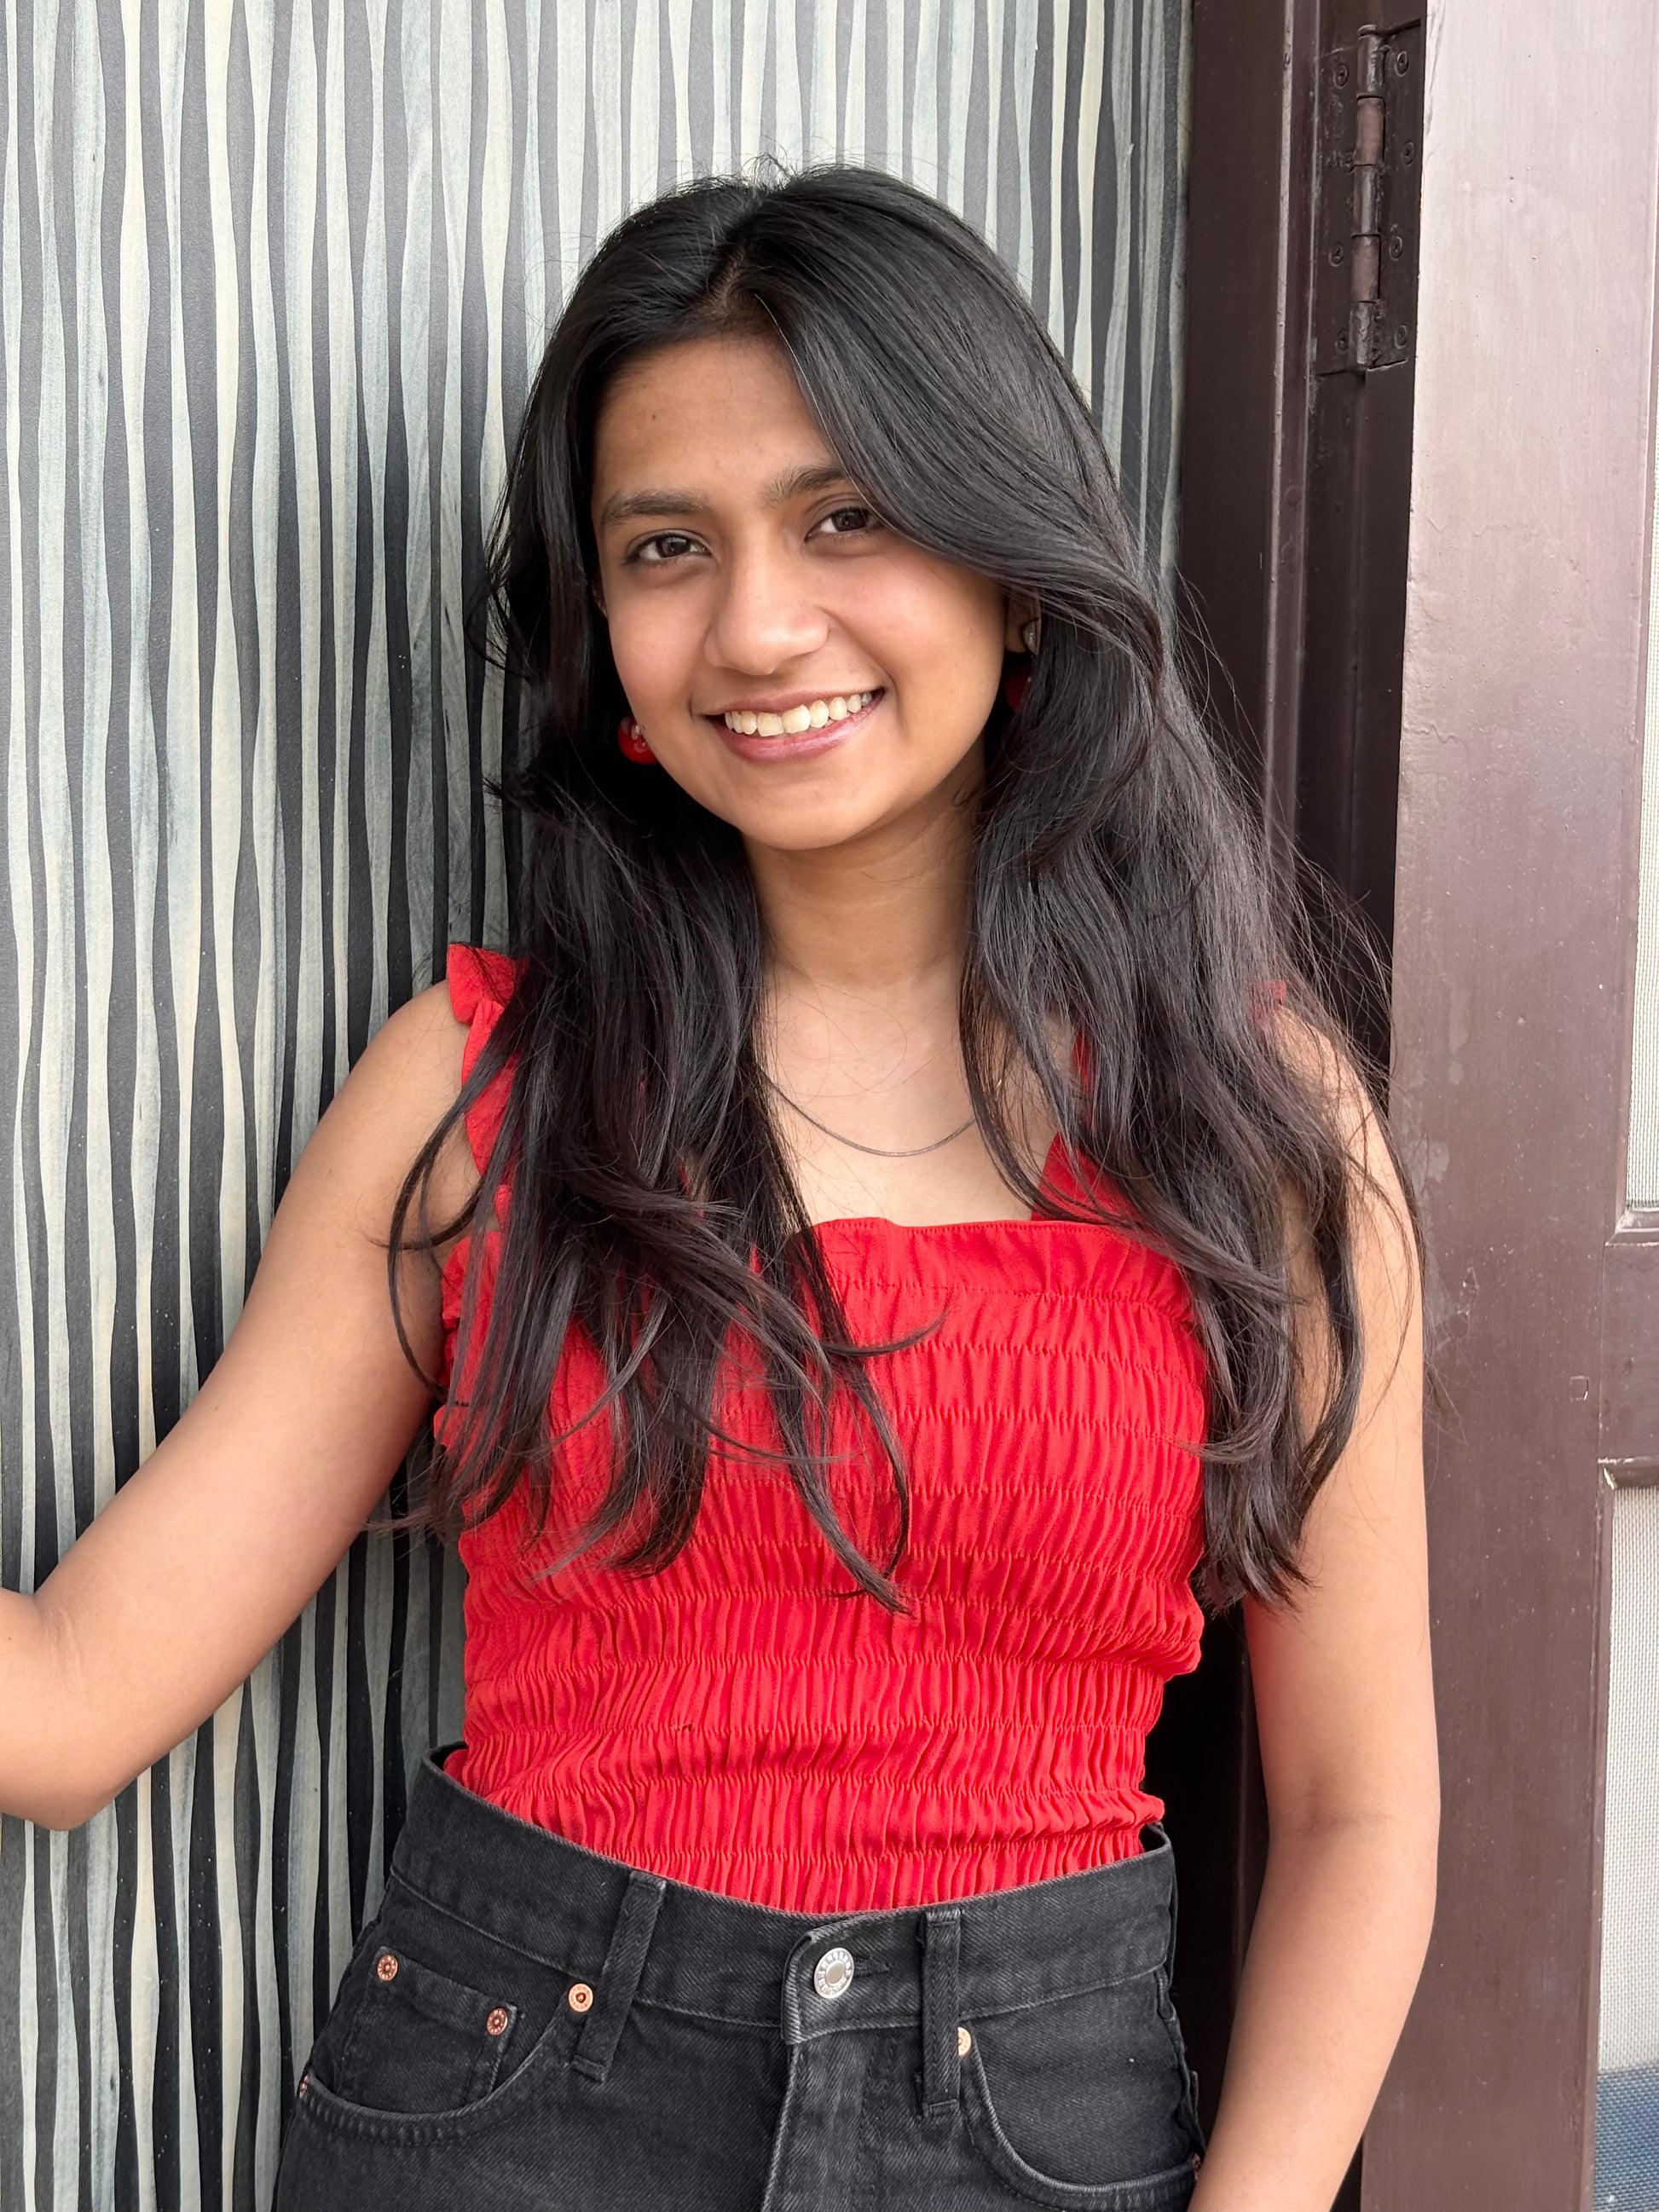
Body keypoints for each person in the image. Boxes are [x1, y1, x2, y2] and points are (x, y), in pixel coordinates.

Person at [0, 163, 1437, 2212]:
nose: (758, 627)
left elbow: (1361, 1805)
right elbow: (65, 1704)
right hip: (514, 2106)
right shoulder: (484, 1098)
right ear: (602, 637)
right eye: (666, 547)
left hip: (1034, 2132)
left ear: (1020, 568)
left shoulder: (1253, 1126)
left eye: (846, 516)